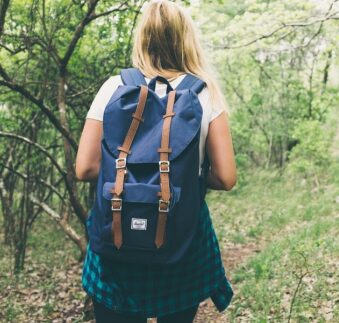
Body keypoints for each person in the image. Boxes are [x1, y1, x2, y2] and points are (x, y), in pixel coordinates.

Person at [75, 0, 237, 322]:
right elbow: (226, 177)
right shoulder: (205, 95)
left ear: (143, 38)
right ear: (186, 39)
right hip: (181, 240)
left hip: (117, 239)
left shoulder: (114, 87)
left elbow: (85, 168)